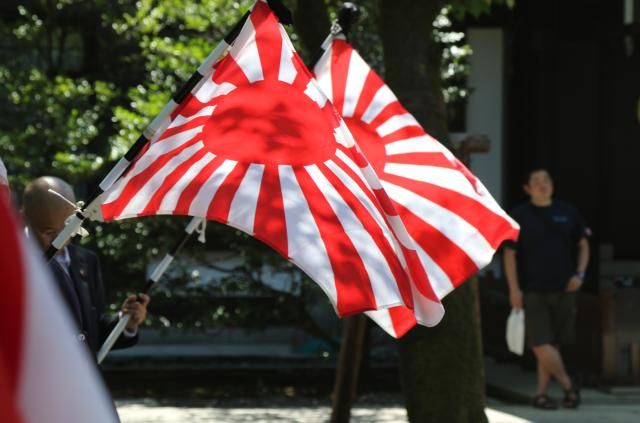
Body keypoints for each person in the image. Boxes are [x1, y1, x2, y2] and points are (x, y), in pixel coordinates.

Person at [21, 176, 150, 359]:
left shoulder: (86, 260)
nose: (61, 240)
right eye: (49, 232)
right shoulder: (13, 264)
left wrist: (126, 321)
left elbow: (93, 331)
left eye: (67, 229)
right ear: (24, 217)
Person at [503, 168, 590, 410]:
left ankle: (541, 395)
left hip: (564, 288)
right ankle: (568, 386)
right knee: (540, 343)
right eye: (536, 181)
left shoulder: (568, 212)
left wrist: (580, 274)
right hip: (532, 289)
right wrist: (514, 290)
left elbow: (583, 244)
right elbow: (509, 255)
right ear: (527, 189)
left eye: (546, 180)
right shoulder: (519, 216)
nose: (542, 184)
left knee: (553, 344)